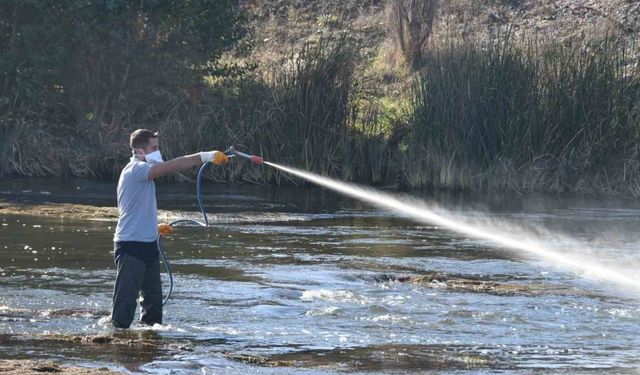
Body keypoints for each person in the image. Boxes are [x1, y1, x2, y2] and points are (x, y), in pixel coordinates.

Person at [110, 129, 228, 328]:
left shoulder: (141, 173)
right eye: (154, 148)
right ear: (140, 151)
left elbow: (135, 208)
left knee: (153, 307)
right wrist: (204, 156)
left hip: (149, 246)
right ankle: (117, 345)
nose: (158, 152)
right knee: (124, 307)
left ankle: (149, 348)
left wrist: (153, 228)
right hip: (130, 247)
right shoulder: (135, 169)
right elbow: (168, 168)